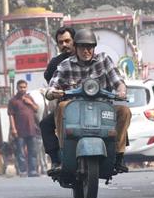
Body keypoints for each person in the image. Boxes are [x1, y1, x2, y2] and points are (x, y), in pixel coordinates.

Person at [46, 28, 130, 173]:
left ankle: (118, 154)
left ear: (94, 48)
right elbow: (51, 87)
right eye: (82, 47)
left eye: (90, 47)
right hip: (75, 110)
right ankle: (63, 151)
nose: (86, 51)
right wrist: (53, 93)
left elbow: (118, 81)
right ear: (76, 47)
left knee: (124, 111)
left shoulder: (104, 60)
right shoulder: (65, 65)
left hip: (103, 108)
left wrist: (122, 91)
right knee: (61, 107)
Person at [41, 27, 75, 174]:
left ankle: (117, 155)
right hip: (66, 106)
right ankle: (56, 159)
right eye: (61, 42)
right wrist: (56, 92)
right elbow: (51, 82)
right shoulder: (57, 64)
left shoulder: (95, 59)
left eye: (68, 41)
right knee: (45, 124)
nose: (64, 45)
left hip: (92, 105)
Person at [8, 79, 40, 177]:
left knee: (33, 151)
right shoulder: (13, 100)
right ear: (17, 88)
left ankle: (33, 170)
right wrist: (13, 128)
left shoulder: (29, 98)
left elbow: (36, 109)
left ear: (27, 88)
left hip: (31, 129)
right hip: (19, 130)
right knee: (20, 152)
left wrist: (30, 102)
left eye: (24, 87)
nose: (22, 89)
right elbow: (11, 115)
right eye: (21, 87)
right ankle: (22, 171)